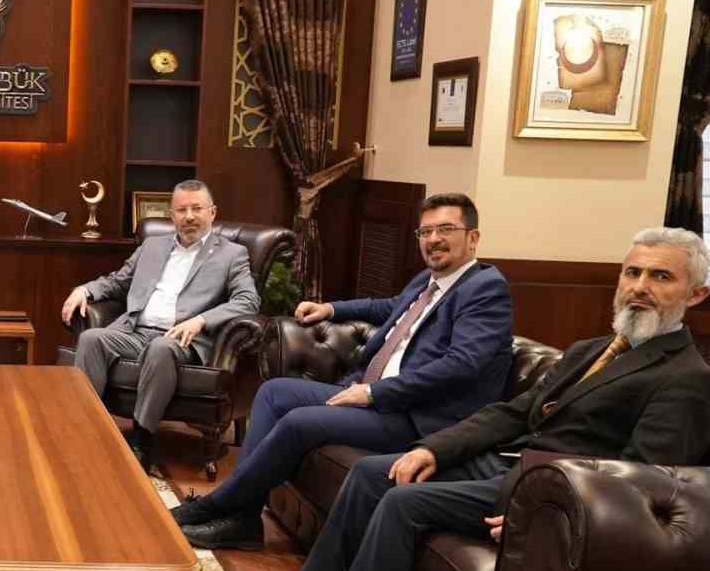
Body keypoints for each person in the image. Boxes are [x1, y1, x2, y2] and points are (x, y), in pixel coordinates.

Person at [231, 228, 710, 571]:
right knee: (370, 473)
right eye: (633, 272)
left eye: (661, 276)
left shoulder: (689, 380)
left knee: (403, 503)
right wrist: (432, 448)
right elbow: (515, 412)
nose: (640, 287)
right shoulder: (591, 350)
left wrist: (536, 514)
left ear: (696, 294)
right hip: (506, 462)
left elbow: (642, 481)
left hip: (551, 491)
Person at [172, 193, 514, 550]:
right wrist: (331, 309)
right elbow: (389, 307)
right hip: (377, 396)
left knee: (299, 422)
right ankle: (243, 518)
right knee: (274, 392)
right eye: (425, 232)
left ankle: (218, 505)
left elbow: (461, 365)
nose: (433, 239)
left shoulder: (485, 289)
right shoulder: (429, 281)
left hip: (417, 415)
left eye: (445, 229)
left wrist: (373, 393)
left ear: (473, 238)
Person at [61, 179, 260, 471]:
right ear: (172, 215)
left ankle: (142, 440)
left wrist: (202, 320)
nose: (189, 216)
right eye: (181, 210)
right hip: (135, 331)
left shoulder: (232, 254)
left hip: (182, 338)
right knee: (92, 338)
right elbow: (118, 281)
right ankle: (83, 430)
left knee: (160, 348)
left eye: (196, 209)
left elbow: (248, 300)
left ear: (212, 212)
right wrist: (85, 290)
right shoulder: (152, 246)